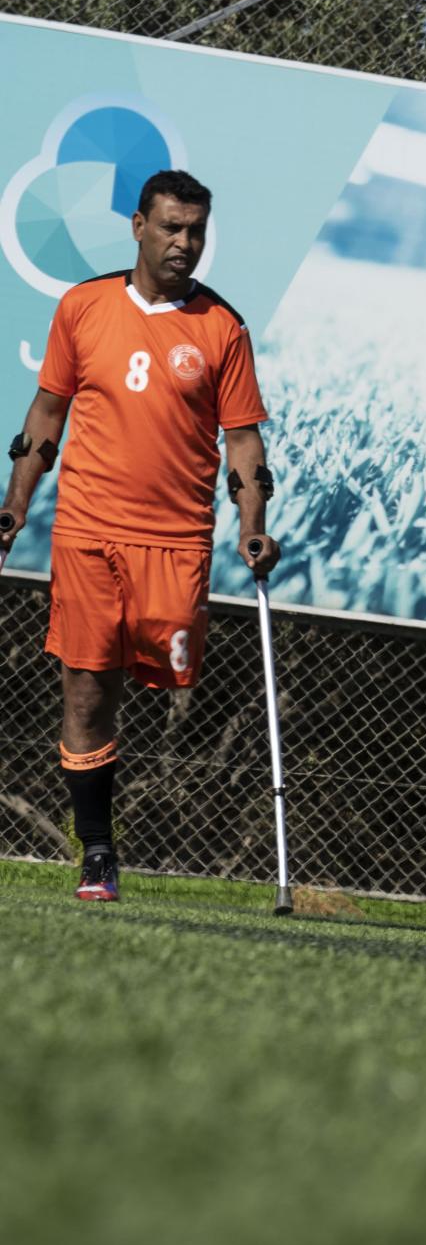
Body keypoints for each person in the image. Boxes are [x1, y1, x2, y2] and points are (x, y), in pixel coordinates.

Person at [0, 168, 281, 902]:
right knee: (87, 691)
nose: (185, 243)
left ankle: (117, 827)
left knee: (157, 683)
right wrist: (14, 507)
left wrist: (254, 526)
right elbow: (44, 418)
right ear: (138, 226)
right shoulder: (83, 307)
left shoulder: (223, 327)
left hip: (176, 541)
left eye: (196, 231)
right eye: (171, 228)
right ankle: (97, 851)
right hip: (89, 530)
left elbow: (245, 445)